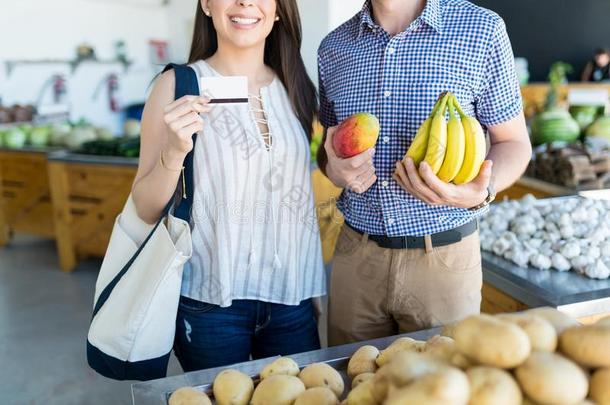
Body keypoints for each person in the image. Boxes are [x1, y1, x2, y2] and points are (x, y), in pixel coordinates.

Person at [317, 0, 532, 346]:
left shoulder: (482, 30)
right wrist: (334, 170)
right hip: (355, 258)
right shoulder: (334, 47)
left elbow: (514, 143)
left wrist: (483, 190)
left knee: (441, 389)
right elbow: (327, 150)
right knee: (351, 389)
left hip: (444, 260)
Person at [131, 0, 325, 371]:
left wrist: (311, 287)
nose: (246, 2)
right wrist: (174, 153)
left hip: (292, 297)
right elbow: (144, 206)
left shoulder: (296, 86)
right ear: (206, 4)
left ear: (280, 9)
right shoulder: (176, 85)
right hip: (209, 303)